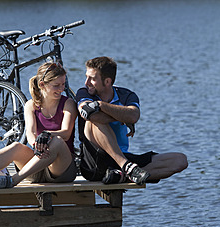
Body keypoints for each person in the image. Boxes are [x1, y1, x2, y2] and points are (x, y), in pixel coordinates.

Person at [0, 62, 78, 191]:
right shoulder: (31, 105)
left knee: (57, 141)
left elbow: (66, 133)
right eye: (56, 85)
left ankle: (13, 180)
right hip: (37, 166)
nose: (61, 89)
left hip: (61, 170)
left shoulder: (67, 103)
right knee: (15, 146)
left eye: (63, 84)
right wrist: (36, 144)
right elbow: (30, 133)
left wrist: (48, 134)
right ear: (42, 85)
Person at [76, 56, 188, 185]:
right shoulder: (84, 93)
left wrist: (100, 105)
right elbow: (90, 114)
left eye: (92, 78)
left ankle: (123, 175)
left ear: (107, 81)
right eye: (86, 77)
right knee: (93, 121)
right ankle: (126, 167)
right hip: (94, 162)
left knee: (180, 160)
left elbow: (134, 116)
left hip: (124, 156)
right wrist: (122, 117)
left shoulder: (126, 95)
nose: (86, 82)